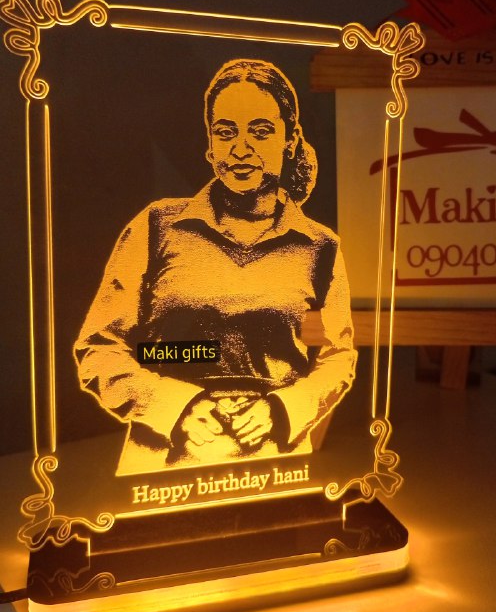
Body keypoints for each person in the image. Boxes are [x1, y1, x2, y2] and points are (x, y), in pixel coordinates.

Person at [74, 59, 356, 475]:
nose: (240, 148)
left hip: (274, 460)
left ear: (290, 140)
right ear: (209, 143)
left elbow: (337, 358)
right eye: (226, 132)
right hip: (160, 462)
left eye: (260, 131)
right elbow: (99, 349)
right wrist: (177, 407)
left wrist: (281, 409)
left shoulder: (321, 247)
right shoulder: (155, 227)